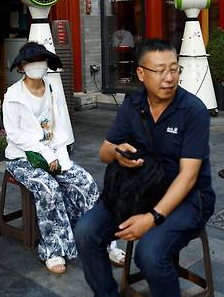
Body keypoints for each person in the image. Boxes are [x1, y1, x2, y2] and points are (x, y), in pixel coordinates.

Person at [75, 39, 215, 297]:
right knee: (85, 232)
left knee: (150, 254)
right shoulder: (133, 104)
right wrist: (119, 155)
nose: (169, 77)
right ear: (141, 73)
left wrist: (152, 218)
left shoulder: (193, 110)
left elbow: (188, 176)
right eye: (160, 70)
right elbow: (104, 152)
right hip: (139, 190)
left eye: (174, 69)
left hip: (188, 199)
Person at [3, 42, 100, 275]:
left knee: (85, 182)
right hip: (22, 158)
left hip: (54, 154)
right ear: (22, 67)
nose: (36, 65)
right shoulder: (13, 95)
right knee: (48, 188)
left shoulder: (53, 90)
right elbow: (14, 135)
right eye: (30, 61)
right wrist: (45, 154)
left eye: (41, 60)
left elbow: (60, 128)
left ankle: (94, 239)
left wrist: (57, 154)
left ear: (47, 64)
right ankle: (54, 249)